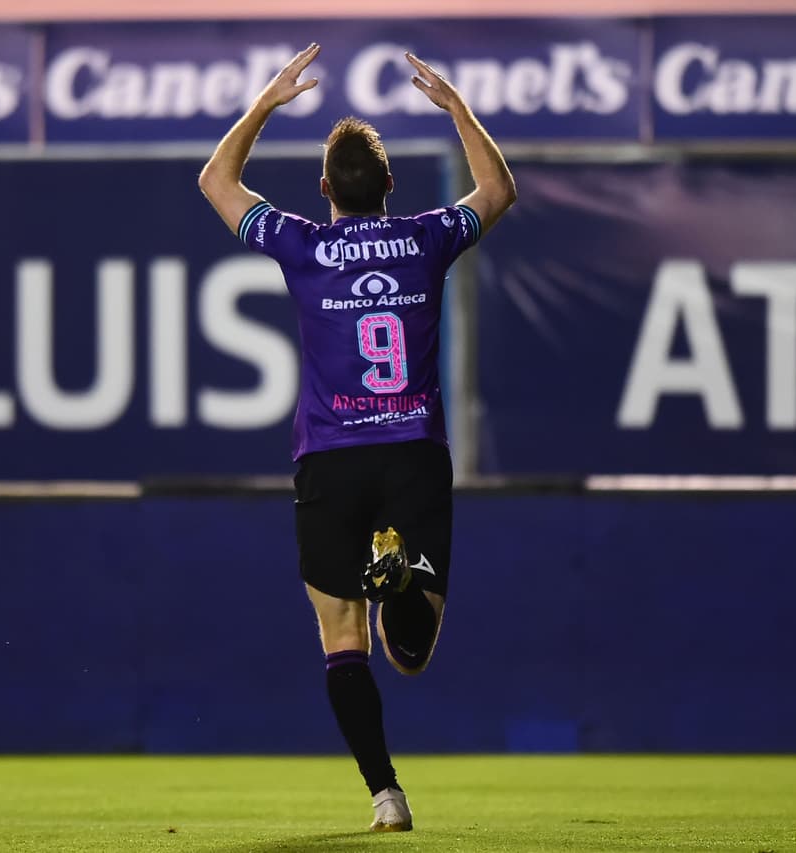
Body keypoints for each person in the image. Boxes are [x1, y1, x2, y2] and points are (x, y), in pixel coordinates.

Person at [198, 43, 515, 833]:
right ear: (389, 187)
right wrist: (458, 110)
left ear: (324, 190)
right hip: (413, 450)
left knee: (344, 641)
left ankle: (386, 795)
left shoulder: (303, 247)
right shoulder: (424, 239)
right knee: (411, 652)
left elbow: (216, 182)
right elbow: (497, 190)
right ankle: (401, 581)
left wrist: (267, 104)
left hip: (330, 460)